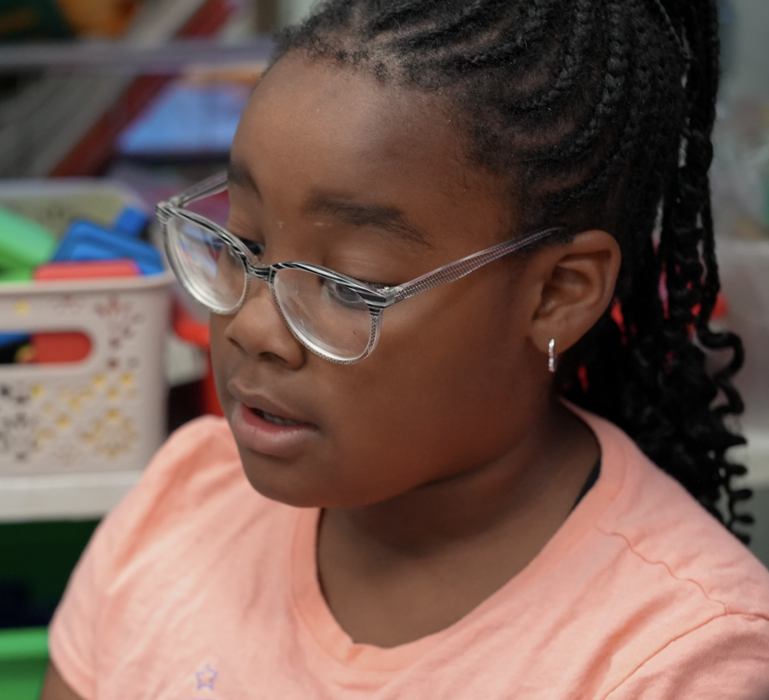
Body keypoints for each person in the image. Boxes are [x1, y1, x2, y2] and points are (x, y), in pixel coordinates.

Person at [41, 0, 769, 697]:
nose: (255, 330)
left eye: (349, 286)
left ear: (556, 293)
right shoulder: (180, 505)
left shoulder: (673, 659)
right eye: (243, 244)